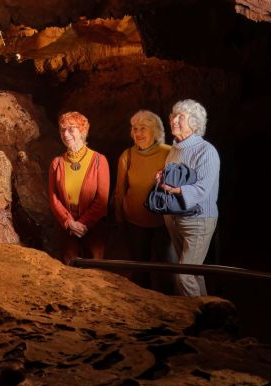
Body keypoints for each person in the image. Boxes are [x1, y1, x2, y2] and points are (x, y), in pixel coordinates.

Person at [157, 99, 221, 296]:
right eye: (173, 115)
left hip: (198, 220)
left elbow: (201, 189)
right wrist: (163, 177)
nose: (174, 120)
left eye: (180, 117)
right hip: (175, 218)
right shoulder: (175, 148)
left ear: (194, 123)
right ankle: (207, 316)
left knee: (184, 275)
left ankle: (192, 318)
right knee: (194, 272)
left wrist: (172, 189)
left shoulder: (206, 151)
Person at [114, 110, 174, 290]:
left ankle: (167, 305)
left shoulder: (169, 153)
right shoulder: (128, 155)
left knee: (166, 268)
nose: (138, 133)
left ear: (155, 131)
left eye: (143, 128)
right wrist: (119, 217)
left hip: (163, 221)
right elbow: (119, 190)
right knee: (139, 269)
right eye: (135, 129)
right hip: (135, 221)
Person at [48, 111, 110, 262]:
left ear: (82, 131)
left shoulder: (98, 161)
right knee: (69, 272)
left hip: (93, 226)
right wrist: (69, 223)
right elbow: (53, 197)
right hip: (67, 227)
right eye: (62, 130)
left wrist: (83, 224)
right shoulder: (57, 163)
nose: (66, 134)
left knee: (95, 273)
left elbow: (102, 200)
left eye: (71, 129)